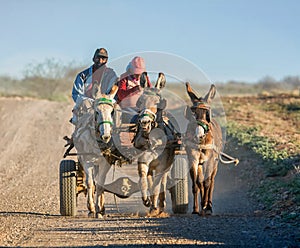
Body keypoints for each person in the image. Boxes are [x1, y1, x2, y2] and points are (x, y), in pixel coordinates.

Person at [71, 48, 118, 124]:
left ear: (106, 60)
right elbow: (76, 95)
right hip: (87, 105)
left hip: (104, 105)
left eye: (103, 59)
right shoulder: (83, 75)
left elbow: (112, 94)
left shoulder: (111, 75)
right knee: (77, 120)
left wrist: (103, 102)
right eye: (98, 58)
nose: (100, 61)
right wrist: (89, 102)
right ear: (93, 59)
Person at [116, 56, 152, 122]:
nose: (138, 75)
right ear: (131, 69)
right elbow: (120, 95)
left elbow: (151, 92)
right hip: (127, 109)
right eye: (136, 73)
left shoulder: (145, 77)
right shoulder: (124, 77)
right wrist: (134, 90)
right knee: (135, 118)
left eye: (140, 73)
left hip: (142, 109)